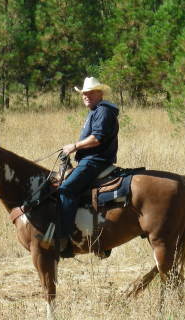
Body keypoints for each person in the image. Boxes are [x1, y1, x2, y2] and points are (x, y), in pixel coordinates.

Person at [58, 77, 119, 257]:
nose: (86, 96)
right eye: (84, 93)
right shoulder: (95, 111)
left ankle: (64, 238)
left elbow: (97, 138)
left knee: (66, 190)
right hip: (91, 159)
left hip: (95, 160)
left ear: (100, 94)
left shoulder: (103, 112)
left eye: (90, 93)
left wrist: (74, 146)